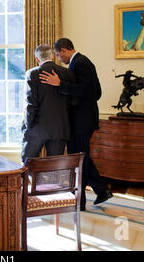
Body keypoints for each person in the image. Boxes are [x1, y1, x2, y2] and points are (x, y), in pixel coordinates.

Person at [38, 38, 113, 211]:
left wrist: (60, 84)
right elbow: (97, 92)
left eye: (58, 54)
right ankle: (100, 190)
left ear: (64, 50)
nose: (59, 58)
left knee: (78, 159)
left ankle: (81, 200)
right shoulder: (82, 62)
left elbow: (90, 91)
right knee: (81, 157)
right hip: (84, 120)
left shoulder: (80, 63)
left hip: (82, 122)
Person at [21, 44, 75, 163]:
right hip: (60, 128)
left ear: (37, 59)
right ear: (52, 56)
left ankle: (31, 182)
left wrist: (27, 125)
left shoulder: (32, 74)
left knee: (27, 164)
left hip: (37, 128)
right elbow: (73, 101)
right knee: (54, 168)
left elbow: (31, 103)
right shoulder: (67, 73)